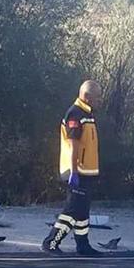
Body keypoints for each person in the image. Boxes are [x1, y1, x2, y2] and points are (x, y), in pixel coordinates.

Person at [42, 80, 104, 256]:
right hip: (77, 171)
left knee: (83, 212)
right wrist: (74, 171)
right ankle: (51, 242)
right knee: (72, 210)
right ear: (87, 96)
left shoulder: (88, 114)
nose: (100, 100)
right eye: (98, 97)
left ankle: (83, 245)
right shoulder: (75, 114)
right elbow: (74, 145)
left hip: (88, 171)